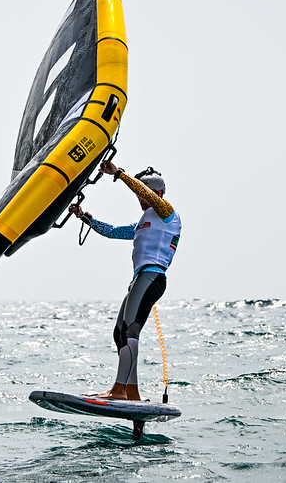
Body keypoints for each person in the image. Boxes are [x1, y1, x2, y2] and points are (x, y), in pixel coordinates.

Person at [69, 161, 181, 400]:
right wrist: (84, 217)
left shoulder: (167, 213)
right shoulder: (144, 222)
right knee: (120, 332)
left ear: (157, 194)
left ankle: (119, 389)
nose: (140, 199)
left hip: (152, 277)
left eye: (145, 193)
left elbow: (144, 192)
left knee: (131, 329)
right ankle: (132, 392)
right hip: (140, 279)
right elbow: (112, 231)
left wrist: (119, 174)